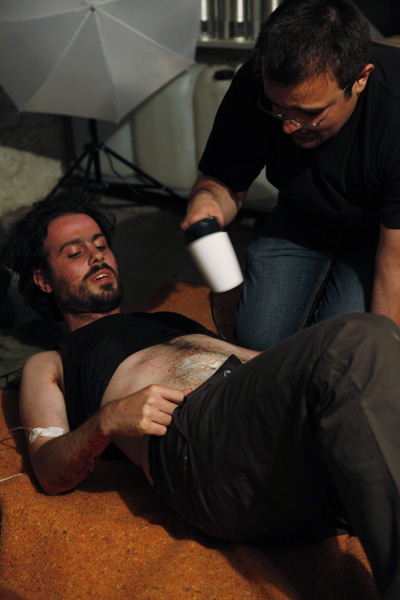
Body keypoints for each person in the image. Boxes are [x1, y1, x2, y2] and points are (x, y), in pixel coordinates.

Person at [3, 190, 400, 600]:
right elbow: (48, 469)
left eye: (101, 245)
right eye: (75, 252)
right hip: (199, 444)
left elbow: (269, 365)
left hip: (276, 440)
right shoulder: (51, 362)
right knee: (358, 335)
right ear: (43, 280)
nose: (97, 257)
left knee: (371, 362)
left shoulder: (169, 319)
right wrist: (107, 421)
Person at [181, 0, 400, 351]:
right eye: (278, 108)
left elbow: (395, 267)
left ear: (360, 79)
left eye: (308, 113)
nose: (288, 126)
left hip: (379, 232)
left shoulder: (393, 111)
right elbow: (222, 180)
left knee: (343, 348)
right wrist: (207, 200)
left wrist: (381, 357)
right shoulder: (256, 79)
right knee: (258, 340)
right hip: (301, 214)